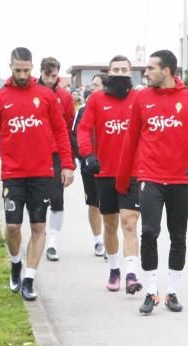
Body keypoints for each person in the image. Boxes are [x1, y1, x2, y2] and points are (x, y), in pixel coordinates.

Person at [116, 49, 188, 314]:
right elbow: (131, 140)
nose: (145, 73)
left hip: (182, 179)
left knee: (178, 236)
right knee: (149, 232)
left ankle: (172, 292)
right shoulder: (141, 98)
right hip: (150, 177)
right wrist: (123, 182)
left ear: (166, 71)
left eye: (150, 68)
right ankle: (151, 292)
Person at [0, 47, 75, 301]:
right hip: (13, 173)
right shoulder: (0, 98)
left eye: (26, 70)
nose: (22, 74)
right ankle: (15, 263)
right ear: (10, 67)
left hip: (42, 173)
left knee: (38, 226)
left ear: (32, 68)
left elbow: (60, 131)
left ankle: (29, 278)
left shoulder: (45, 96)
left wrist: (67, 164)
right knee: (12, 226)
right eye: (17, 70)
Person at [80, 55, 146, 294]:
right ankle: (114, 268)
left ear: (131, 73)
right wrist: (88, 154)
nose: (120, 73)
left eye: (124, 69)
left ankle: (131, 274)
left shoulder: (139, 98)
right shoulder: (97, 100)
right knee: (110, 224)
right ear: (109, 72)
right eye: (115, 69)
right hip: (104, 172)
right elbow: (84, 129)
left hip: (132, 172)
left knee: (130, 223)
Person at [38, 57, 76, 262]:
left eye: (54, 76)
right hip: (35, 153)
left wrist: (68, 161)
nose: (51, 80)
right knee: (37, 199)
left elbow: (67, 125)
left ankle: (52, 242)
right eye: (47, 75)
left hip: (56, 153)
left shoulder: (65, 97)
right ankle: (39, 235)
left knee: (57, 197)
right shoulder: (32, 92)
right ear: (41, 72)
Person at [71, 73, 106, 259]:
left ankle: (110, 241)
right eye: (92, 84)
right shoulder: (83, 110)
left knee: (110, 206)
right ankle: (98, 240)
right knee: (94, 204)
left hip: (109, 165)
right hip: (89, 165)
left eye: (96, 84)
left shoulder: (114, 107)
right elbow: (74, 135)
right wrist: (83, 157)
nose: (92, 88)